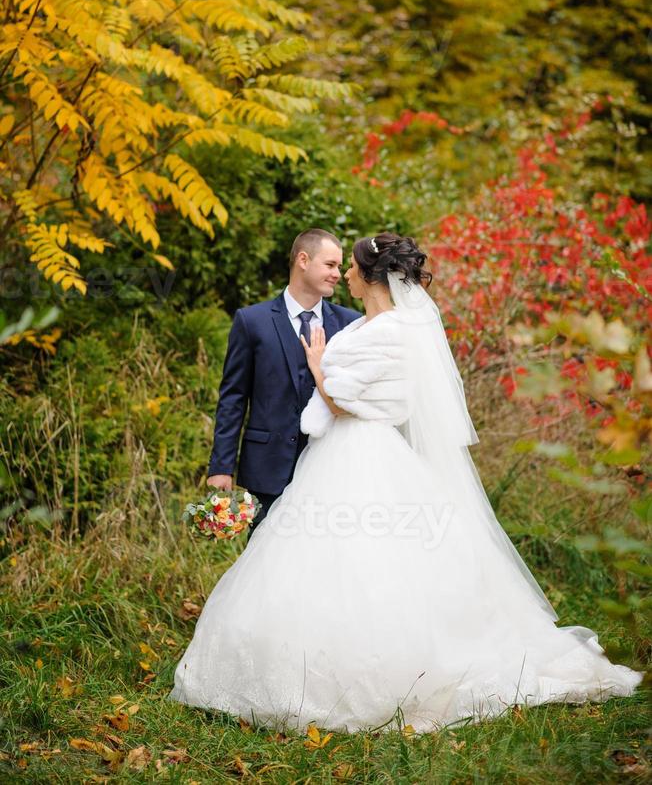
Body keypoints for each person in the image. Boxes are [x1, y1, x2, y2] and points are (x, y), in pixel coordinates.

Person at [170, 232, 643, 733]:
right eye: (336, 265)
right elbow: (249, 397)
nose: (344, 274)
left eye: (349, 267)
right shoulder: (356, 326)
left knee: (372, 559)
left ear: (371, 275)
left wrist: (316, 367)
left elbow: (347, 400)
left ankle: (381, 667)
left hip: (364, 455)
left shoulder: (389, 331)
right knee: (321, 561)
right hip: (330, 453)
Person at [205, 228, 360, 533]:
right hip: (266, 468)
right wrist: (221, 466)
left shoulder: (349, 323)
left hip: (328, 466)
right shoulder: (252, 321)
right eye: (330, 265)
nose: (337, 274)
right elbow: (233, 398)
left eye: (340, 267)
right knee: (264, 563)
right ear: (303, 260)